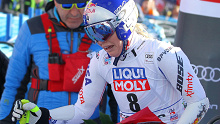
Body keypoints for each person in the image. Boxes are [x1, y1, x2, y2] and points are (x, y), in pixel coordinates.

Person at [12, 0, 210, 123]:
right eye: (91, 32)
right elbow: (82, 110)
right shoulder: (100, 60)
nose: (99, 40)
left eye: (102, 30)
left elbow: (199, 102)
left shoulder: (163, 53)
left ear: (124, 23)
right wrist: (45, 116)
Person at [0, 0, 103, 123]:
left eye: (81, 5)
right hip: (41, 119)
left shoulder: (102, 29)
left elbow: (117, 84)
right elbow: (14, 84)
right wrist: (6, 120)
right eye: (67, 6)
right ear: (55, 2)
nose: (75, 13)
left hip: (89, 120)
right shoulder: (32, 28)